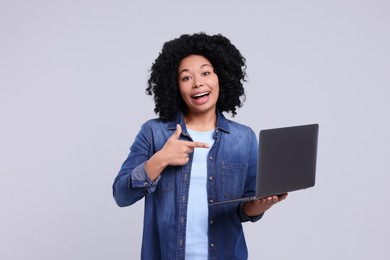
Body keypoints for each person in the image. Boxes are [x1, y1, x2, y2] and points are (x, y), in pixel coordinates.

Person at [112, 32, 287, 260]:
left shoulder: (243, 138)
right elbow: (121, 195)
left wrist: (262, 205)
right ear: (175, 86)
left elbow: (244, 210)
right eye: (186, 77)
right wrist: (161, 159)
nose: (198, 83)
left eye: (206, 73)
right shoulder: (153, 133)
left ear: (220, 77)